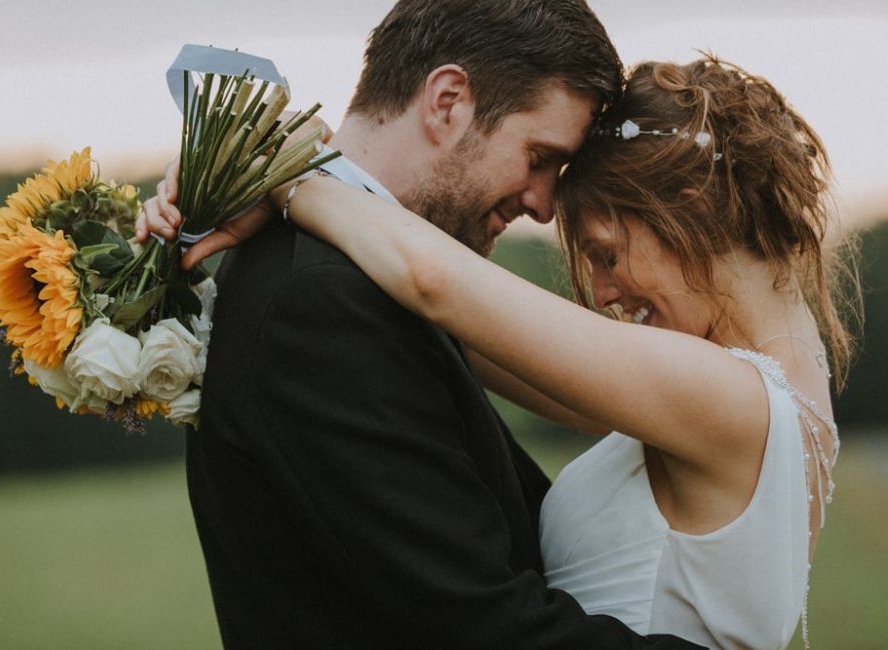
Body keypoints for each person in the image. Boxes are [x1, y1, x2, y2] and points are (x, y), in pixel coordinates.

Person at [147, 56, 859, 648]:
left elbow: (433, 282)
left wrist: (287, 172)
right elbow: (468, 336)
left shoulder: (723, 396)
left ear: (693, 201)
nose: (604, 294)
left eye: (606, 254)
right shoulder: (784, 384)